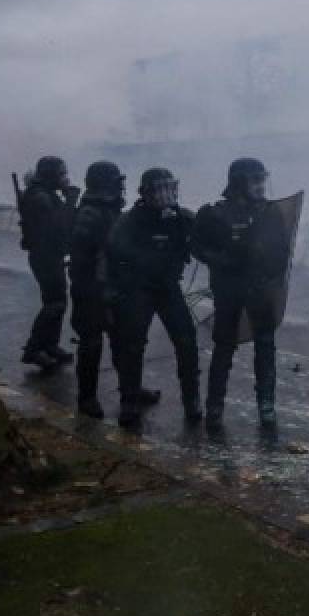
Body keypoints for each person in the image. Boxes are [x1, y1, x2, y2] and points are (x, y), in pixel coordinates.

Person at [192, 158, 291, 428]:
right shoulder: (215, 213)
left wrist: (269, 270)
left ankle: (266, 403)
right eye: (254, 180)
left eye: (262, 179)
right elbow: (197, 246)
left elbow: (283, 249)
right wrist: (221, 259)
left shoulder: (269, 212)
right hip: (229, 289)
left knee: (266, 346)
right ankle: (214, 404)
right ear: (239, 183)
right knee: (224, 346)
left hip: (259, 289)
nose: (260, 186)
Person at [106, 168, 201, 429]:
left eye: (168, 187)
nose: (164, 194)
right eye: (158, 189)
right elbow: (113, 255)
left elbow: (207, 245)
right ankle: (129, 400)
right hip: (137, 289)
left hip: (168, 288)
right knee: (132, 345)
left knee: (186, 341)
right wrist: (111, 293)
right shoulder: (130, 221)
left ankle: (192, 400)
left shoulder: (184, 218)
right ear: (145, 193)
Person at [68, 160, 126, 419]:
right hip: (91, 289)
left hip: (112, 286)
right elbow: (82, 257)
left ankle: (130, 388)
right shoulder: (90, 214)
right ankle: (87, 398)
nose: (121, 187)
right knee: (91, 344)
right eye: (116, 181)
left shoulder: (109, 210)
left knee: (123, 340)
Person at [19, 155, 79, 368]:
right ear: (50, 175)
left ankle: (50, 345)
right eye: (61, 173)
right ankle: (34, 349)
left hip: (48, 255)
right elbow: (61, 224)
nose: (64, 177)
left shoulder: (44, 193)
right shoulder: (40, 197)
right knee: (55, 304)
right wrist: (71, 198)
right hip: (45, 257)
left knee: (56, 302)